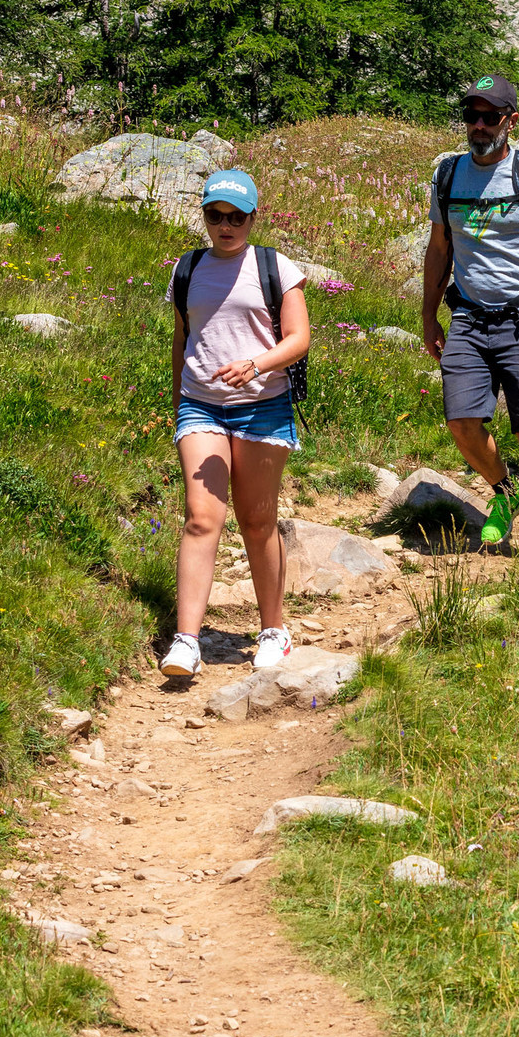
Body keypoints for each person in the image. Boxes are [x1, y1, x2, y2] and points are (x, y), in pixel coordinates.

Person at [160, 168, 310, 684]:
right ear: (204, 216)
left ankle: (273, 630)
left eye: (236, 217)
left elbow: (298, 338)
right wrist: (178, 395)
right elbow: (183, 338)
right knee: (202, 517)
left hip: (263, 405)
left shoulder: (275, 266)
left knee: (257, 520)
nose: (226, 226)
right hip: (200, 404)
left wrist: (257, 365)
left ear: (252, 217)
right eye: (215, 216)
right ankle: (186, 639)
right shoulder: (186, 268)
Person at [421, 75, 519, 557]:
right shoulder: (448, 176)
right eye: (472, 115)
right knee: (461, 421)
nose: (479, 126)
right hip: (469, 316)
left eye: (491, 117)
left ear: (510, 121)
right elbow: (439, 247)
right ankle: (505, 493)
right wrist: (428, 314)